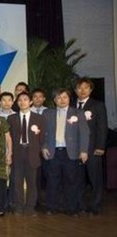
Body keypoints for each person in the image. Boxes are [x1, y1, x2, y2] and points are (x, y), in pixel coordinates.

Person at [42, 89, 89, 216]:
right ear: (54, 100)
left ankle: (71, 208)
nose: (61, 100)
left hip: (71, 153)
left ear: (69, 99)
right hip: (53, 152)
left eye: (64, 97)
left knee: (72, 182)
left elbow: (84, 133)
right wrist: (44, 146)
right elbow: (42, 133)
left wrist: (84, 151)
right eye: (58, 97)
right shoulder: (47, 113)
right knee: (52, 181)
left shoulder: (78, 113)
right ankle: (51, 207)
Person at [7, 92, 45, 216]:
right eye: (20, 100)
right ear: (17, 103)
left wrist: (40, 150)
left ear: (30, 102)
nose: (22, 102)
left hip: (32, 153)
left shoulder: (39, 118)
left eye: (25, 99)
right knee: (17, 182)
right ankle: (18, 207)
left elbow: (42, 137)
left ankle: (30, 207)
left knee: (32, 182)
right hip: (17, 153)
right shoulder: (11, 118)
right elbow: (9, 138)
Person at [74, 79, 108, 215]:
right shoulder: (71, 105)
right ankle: (81, 205)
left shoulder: (97, 105)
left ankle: (95, 205)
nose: (82, 91)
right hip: (75, 149)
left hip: (93, 148)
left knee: (95, 179)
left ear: (90, 90)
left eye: (86, 88)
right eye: (79, 88)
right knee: (78, 179)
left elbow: (102, 127)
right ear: (75, 90)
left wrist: (100, 146)